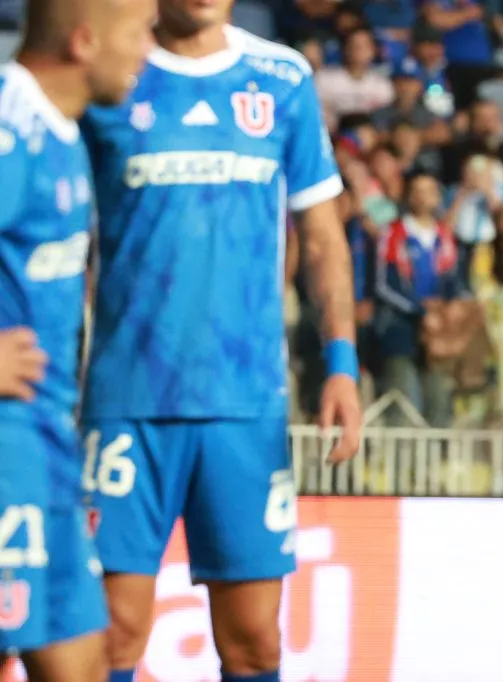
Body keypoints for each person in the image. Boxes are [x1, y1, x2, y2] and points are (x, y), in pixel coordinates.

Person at [79, 1, 364, 681]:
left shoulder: (281, 77)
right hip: (126, 401)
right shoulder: (111, 72)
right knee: (113, 635)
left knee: (255, 642)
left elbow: (321, 237)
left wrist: (341, 363)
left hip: (245, 405)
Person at [0, 0, 155, 679]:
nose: (148, 50)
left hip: (47, 445)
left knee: (86, 662)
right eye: (140, 33)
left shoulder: (63, 130)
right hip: (6, 448)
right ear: (85, 42)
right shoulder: (10, 129)